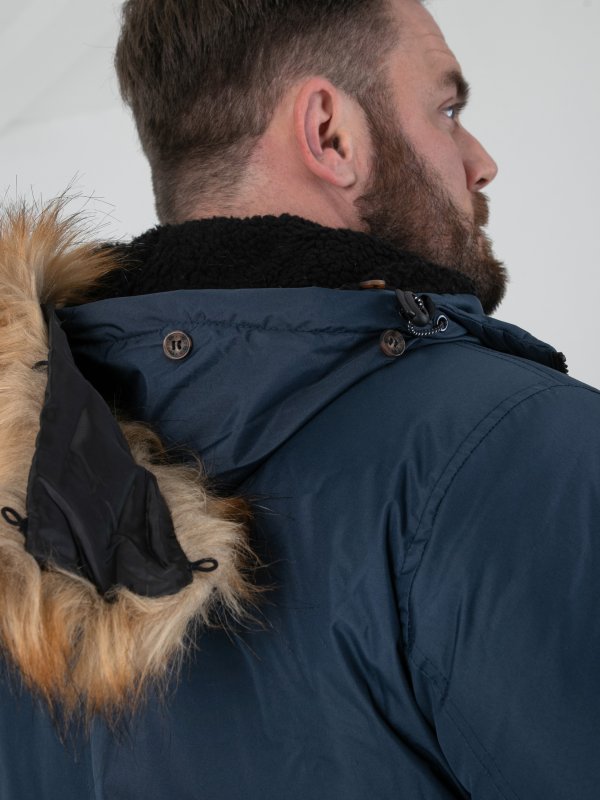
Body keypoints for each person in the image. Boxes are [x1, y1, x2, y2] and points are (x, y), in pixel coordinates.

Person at [0, 1, 599, 798]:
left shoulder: (22, 513)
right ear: (330, 135)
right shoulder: (522, 456)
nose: (480, 161)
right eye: (447, 110)